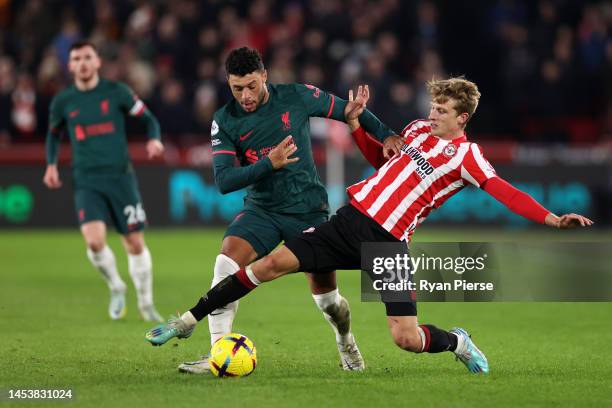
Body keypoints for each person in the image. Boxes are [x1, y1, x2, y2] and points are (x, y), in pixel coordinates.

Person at [147, 77, 593, 373]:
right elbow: (375, 158)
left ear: (463, 118)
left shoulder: (468, 157)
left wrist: (552, 218)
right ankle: (188, 320)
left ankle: (458, 343)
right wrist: (358, 123)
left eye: (441, 109)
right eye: (433, 106)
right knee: (266, 266)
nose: (432, 113)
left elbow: (505, 192)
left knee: (405, 338)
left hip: (389, 245)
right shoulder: (416, 130)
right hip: (347, 222)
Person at [176, 47, 402, 374]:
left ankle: (345, 338)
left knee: (328, 301)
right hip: (262, 210)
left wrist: (386, 134)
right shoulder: (224, 120)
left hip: (308, 211)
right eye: (237, 88)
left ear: (265, 76)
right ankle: (218, 355)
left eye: (251, 85)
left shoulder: (296, 96)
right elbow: (224, 181)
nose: (245, 95)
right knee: (225, 263)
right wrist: (269, 164)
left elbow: (350, 111)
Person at [43, 40, 165, 322]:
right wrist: (50, 165)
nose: (82, 63)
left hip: (120, 177)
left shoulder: (116, 92)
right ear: (70, 65)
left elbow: (149, 119)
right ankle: (116, 285)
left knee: (134, 243)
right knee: (95, 243)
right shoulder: (64, 101)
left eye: (87, 57)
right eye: (76, 59)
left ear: (97, 62)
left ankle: (146, 304)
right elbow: (53, 134)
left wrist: (155, 139)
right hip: (86, 179)